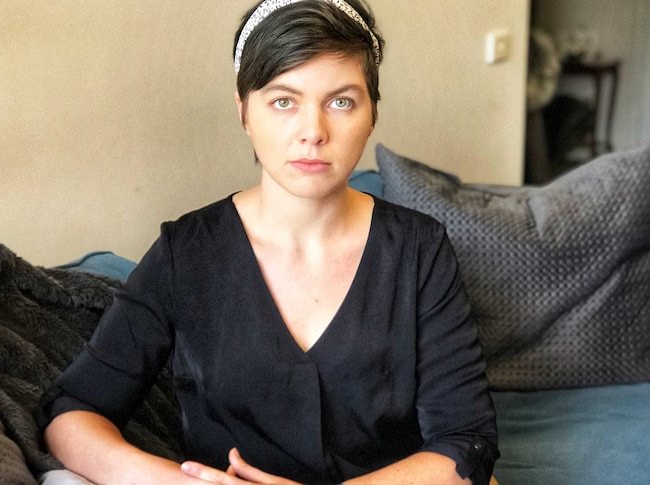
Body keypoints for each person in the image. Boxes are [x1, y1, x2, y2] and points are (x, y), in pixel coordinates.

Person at [41, 1, 499, 484]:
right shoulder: (186, 252)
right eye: (284, 101)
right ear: (244, 112)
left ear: (371, 114)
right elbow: (73, 412)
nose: (313, 132)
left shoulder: (419, 248)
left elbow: (466, 440)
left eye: (341, 101)